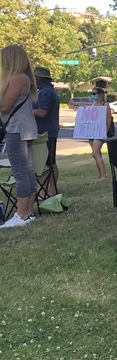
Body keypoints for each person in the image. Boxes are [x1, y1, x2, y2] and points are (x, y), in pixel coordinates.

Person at [0, 45, 39, 227]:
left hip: (17, 129)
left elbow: (5, 106)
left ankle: (21, 215)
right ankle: (28, 212)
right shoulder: (25, 78)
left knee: (20, 172)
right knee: (28, 171)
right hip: (26, 128)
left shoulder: (17, 78)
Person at [32, 66, 60, 195]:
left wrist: (25, 112)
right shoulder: (48, 90)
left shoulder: (45, 92)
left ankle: (48, 192)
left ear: (40, 79)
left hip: (45, 133)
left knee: (47, 164)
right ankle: (49, 191)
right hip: (49, 131)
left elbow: (42, 112)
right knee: (48, 163)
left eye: (35, 78)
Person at [88, 86, 114, 180]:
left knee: (94, 153)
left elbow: (108, 120)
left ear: (100, 95)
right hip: (92, 132)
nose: (92, 95)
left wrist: (105, 132)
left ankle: (103, 175)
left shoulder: (105, 105)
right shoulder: (92, 105)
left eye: (94, 94)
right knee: (97, 154)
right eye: (91, 94)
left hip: (100, 132)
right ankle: (100, 174)